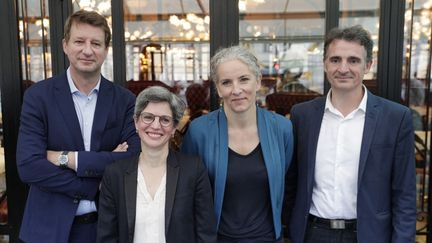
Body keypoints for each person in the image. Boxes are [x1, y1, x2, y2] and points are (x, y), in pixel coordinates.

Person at [16, 10, 140, 243]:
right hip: (47, 230)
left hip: (107, 230)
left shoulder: (125, 100)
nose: (87, 50)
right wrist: (91, 183)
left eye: (96, 43)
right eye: (79, 41)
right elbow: (29, 166)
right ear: (65, 45)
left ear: (106, 49)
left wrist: (67, 158)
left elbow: (132, 159)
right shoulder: (38, 97)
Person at [286, 25, 416, 243]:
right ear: (325, 64)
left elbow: (405, 194)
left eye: (353, 60)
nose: (343, 68)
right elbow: (292, 181)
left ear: (368, 65)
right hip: (312, 233)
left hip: (369, 235)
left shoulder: (396, 117)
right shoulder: (302, 115)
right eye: (335, 59)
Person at [182, 45, 294, 242]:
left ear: (258, 80)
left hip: (268, 238)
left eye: (244, 79)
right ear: (217, 89)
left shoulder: (282, 129)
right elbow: (187, 193)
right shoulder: (199, 132)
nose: (236, 90)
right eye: (226, 82)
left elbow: (288, 185)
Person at [96, 86, 217, 243]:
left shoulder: (194, 170)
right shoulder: (115, 174)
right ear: (136, 123)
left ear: (174, 128)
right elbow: (107, 237)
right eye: (148, 117)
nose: (155, 126)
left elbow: (206, 234)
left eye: (165, 120)